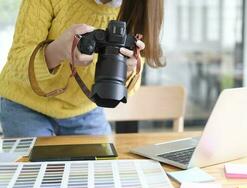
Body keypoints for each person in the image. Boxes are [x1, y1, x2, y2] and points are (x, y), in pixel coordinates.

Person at [0, 0, 164, 138]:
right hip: (25, 103)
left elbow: (129, 89)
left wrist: (127, 70)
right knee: (39, 173)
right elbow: (17, 62)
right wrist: (57, 51)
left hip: (85, 110)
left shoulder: (141, 6)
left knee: (102, 172)